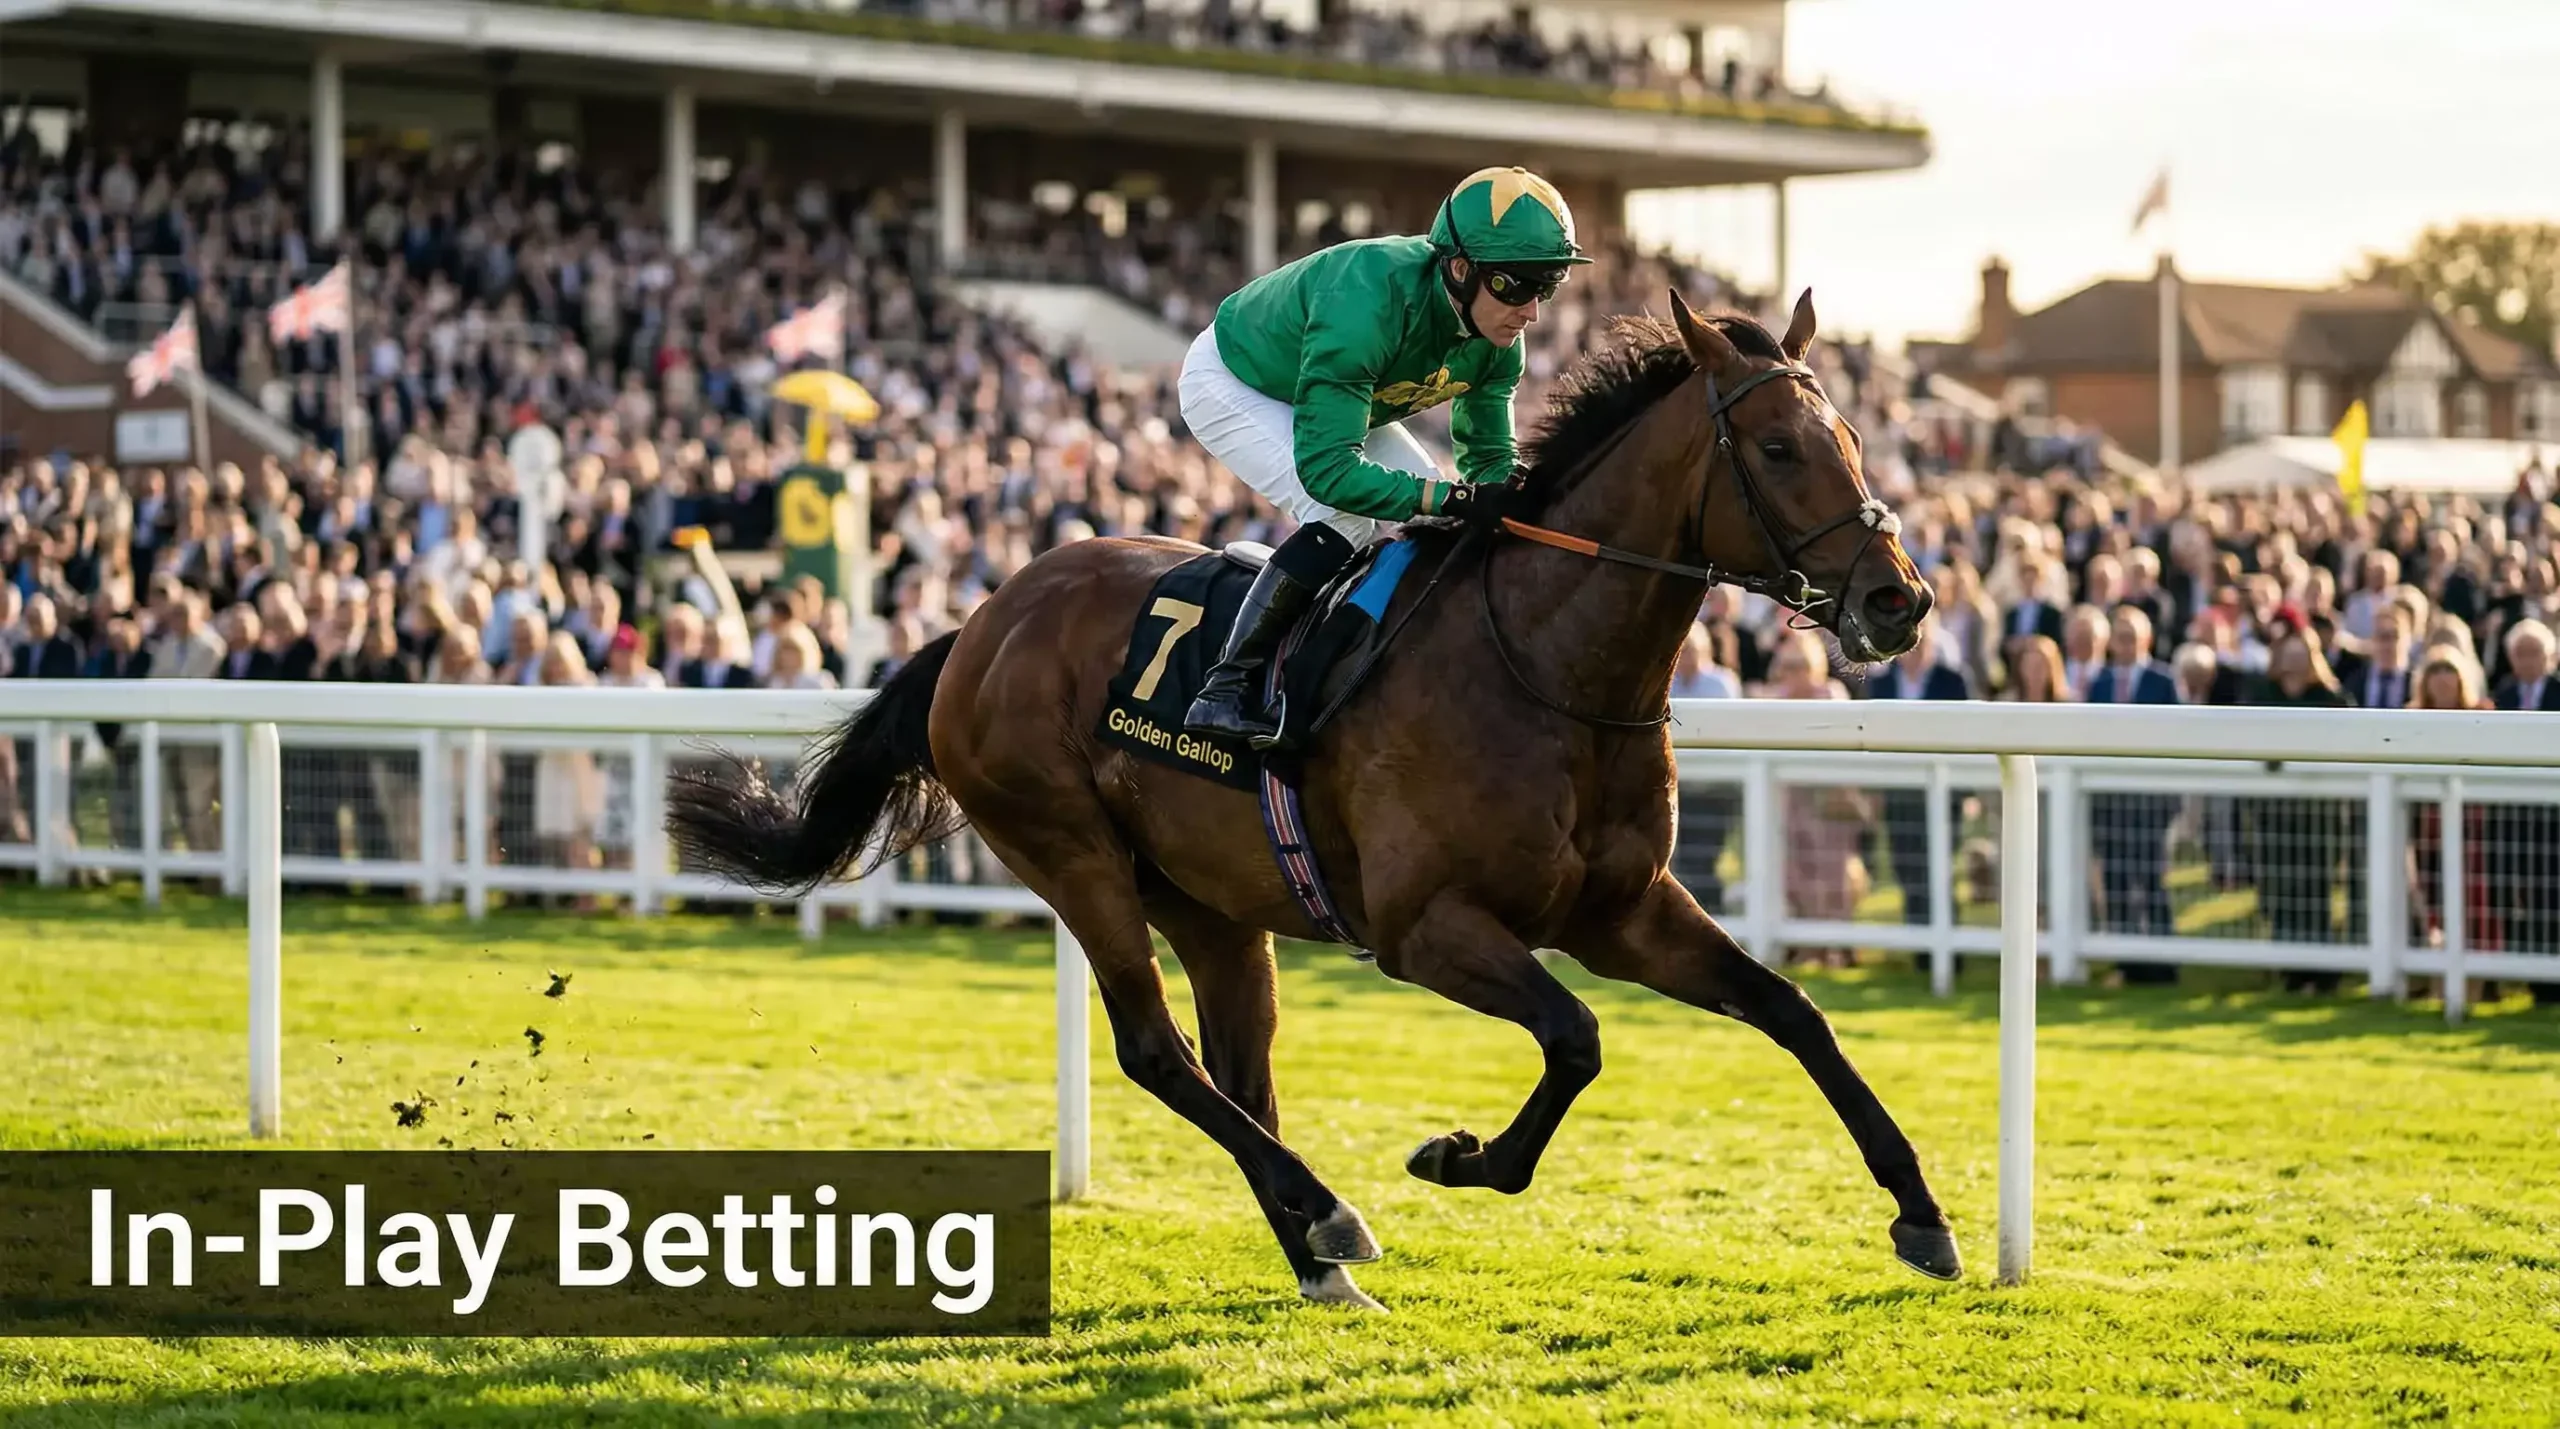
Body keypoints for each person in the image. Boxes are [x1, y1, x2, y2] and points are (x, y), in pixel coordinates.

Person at [1176, 166, 1588, 745]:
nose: (1531, 312)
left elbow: (1487, 460)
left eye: (1545, 288)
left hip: (1328, 396)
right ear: (1461, 269)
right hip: (1235, 380)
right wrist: (1453, 495)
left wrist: (1516, 497)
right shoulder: (1366, 304)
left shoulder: (1500, 341)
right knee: (1344, 515)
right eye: (1516, 286)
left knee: (1434, 521)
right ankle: (1223, 689)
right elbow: (1328, 472)